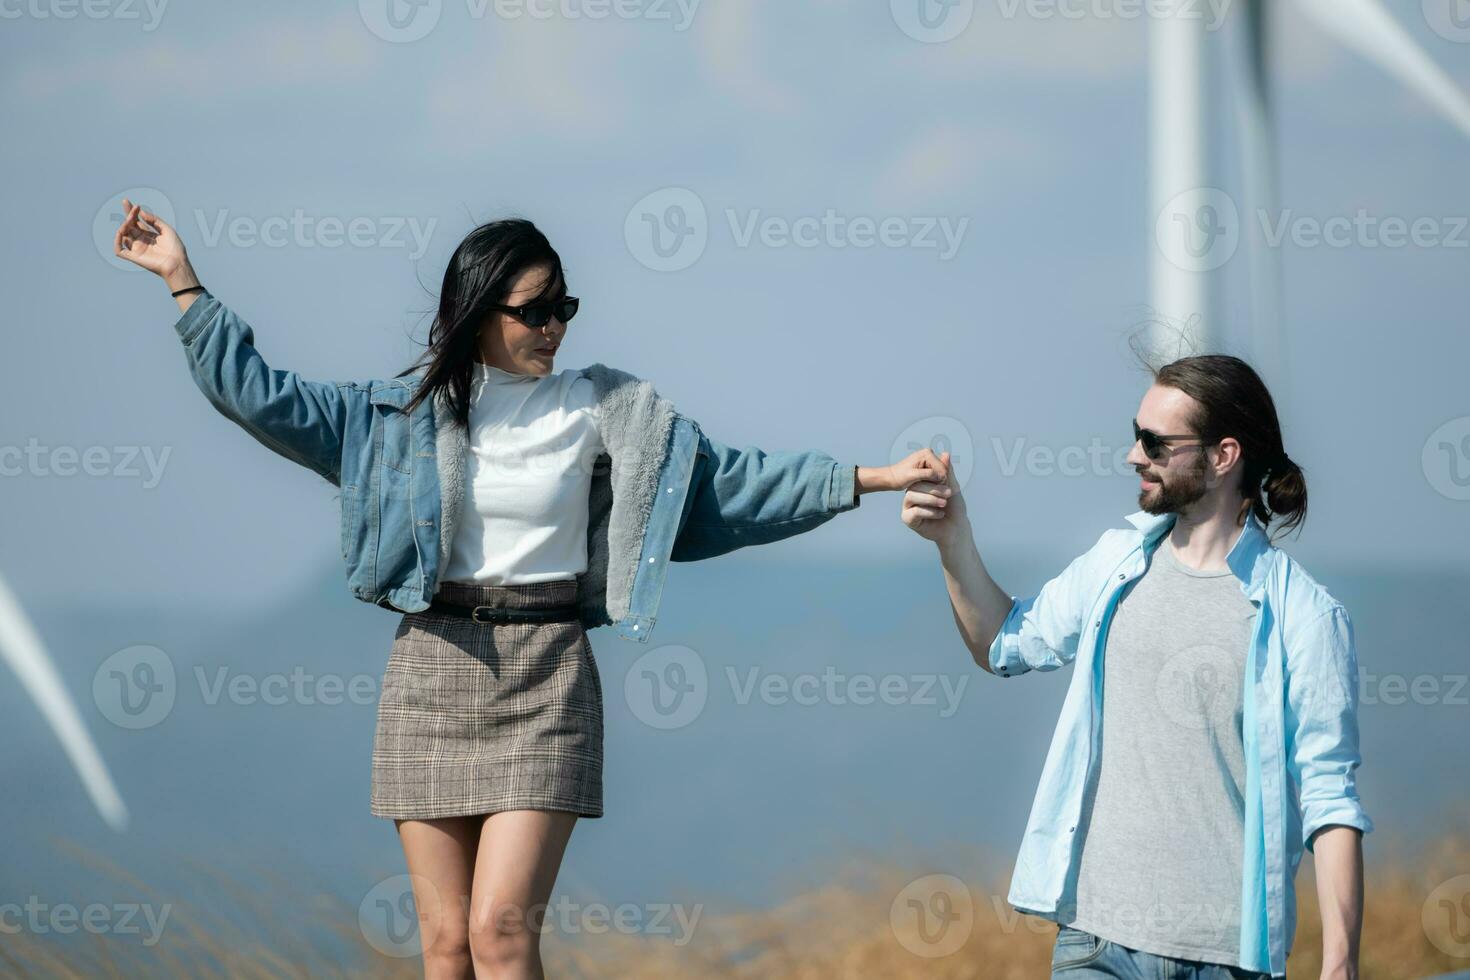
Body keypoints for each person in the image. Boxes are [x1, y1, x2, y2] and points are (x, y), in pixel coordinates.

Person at [115, 199, 946, 980]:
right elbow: (260, 397)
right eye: (533, 310)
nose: (553, 327)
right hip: (432, 671)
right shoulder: (393, 418)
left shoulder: (607, 410)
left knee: (502, 934)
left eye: (563, 309)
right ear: (478, 311)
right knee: (445, 947)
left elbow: (733, 485)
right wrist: (182, 282)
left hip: (547, 674)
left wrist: (866, 478)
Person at [900, 355, 1369, 979]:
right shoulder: (1115, 563)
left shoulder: (1306, 616)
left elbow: (1329, 799)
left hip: (1228, 961)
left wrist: (1339, 965)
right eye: (1135, 433)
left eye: (1155, 442)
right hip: (1096, 945)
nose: (1133, 454)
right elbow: (1005, 643)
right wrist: (953, 539)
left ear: (1224, 456)